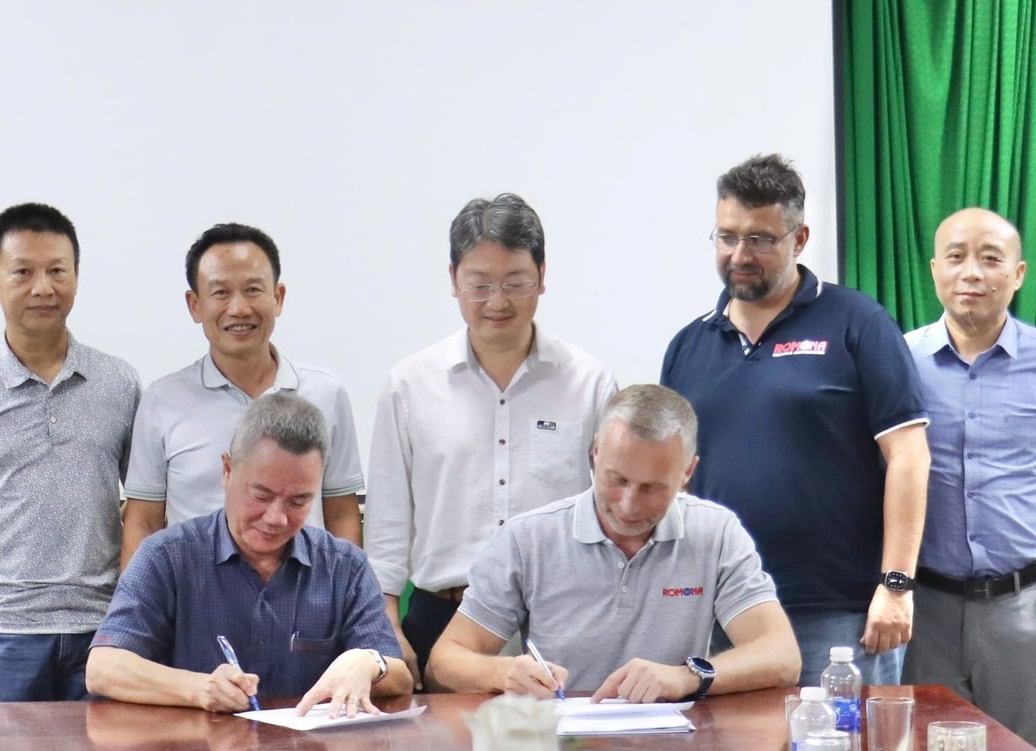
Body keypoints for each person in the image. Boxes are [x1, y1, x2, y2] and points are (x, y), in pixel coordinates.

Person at [661, 154, 931, 685]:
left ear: (800, 238)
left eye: (760, 239)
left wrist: (896, 584)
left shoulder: (858, 323)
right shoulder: (688, 346)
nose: (740, 254)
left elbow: (909, 456)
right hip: (719, 614)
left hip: (837, 617)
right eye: (727, 236)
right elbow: (673, 480)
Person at [364, 193, 618, 687]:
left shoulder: (589, 383)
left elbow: (611, 507)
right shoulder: (410, 384)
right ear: (453, 280)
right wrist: (385, 622)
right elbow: (389, 520)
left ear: (542, 276)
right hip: (443, 619)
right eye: (479, 285)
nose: (497, 302)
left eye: (515, 282)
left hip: (561, 618)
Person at [427, 384, 800, 698]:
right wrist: (503, 673)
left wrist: (687, 677)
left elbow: (782, 657)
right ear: (595, 451)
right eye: (616, 479)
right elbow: (443, 661)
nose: (628, 506)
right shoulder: (529, 538)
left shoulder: (715, 532)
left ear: (688, 472)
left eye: (652, 488)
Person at [0, 202, 141, 701]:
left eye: (57, 271)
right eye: (23, 272)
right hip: (1, 636)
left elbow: (144, 503)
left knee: (107, 740)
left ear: (76, 276)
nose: (43, 288)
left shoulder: (119, 383)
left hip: (101, 630)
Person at [902, 207, 1036, 751]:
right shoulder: (899, 362)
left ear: (1017, 275)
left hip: (1027, 610)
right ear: (935, 270)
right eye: (956, 257)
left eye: (990, 258)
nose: (971, 272)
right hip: (925, 610)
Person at [87, 393, 411, 716]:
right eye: (261, 495)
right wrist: (198, 688)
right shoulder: (168, 556)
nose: (276, 518)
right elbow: (103, 668)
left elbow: (399, 676)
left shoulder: (344, 567)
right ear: (227, 470)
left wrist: (368, 664)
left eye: (298, 501)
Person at [120, 222, 365, 568]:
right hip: (196, 594)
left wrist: (345, 592)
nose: (238, 309)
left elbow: (341, 514)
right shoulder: (163, 401)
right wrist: (134, 598)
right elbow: (143, 523)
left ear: (278, 297)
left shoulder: (325, 393)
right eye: (220, 292)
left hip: (303, 594)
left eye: (253, 290)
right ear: (195, 305)